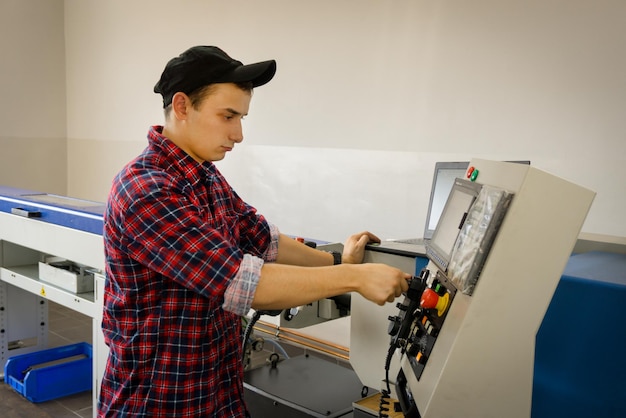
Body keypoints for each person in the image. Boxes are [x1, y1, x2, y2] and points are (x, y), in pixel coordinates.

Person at [98, 45, 411, 417]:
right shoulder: (145, 190)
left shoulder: (205, 177)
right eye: (228, 116)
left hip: (216, 391)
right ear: (182, 106)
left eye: (241, 117)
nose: (239, 134)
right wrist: (353, 277)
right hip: (159, 400)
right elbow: (245, 283)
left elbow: (264, 239)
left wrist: (335, 259)